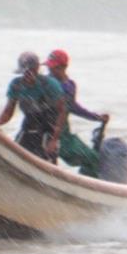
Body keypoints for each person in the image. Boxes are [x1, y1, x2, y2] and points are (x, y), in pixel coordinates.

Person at [44, 49, 109, 177]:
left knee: (93, 159)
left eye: (54, 68)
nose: (50, 71)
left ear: (64, 67)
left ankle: (83, 187)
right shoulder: (45, 82)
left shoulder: (68, 86)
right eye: (49, 67)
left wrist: (96, 118)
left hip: (62, 135)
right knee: (93, 160)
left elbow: (73, 107)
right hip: (49, 132)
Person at [0, 51, 66, 161]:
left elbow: (62, 111)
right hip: (29, 125)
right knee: (15, 156)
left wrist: (54, 140)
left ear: (37, 69)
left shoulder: (50, 85)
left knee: (47, 159)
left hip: (48, 128)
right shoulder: (16, 85)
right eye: (24, 73)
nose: (27, 76)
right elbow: (8, 112)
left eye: (30, 72)